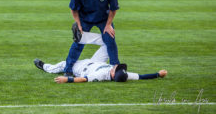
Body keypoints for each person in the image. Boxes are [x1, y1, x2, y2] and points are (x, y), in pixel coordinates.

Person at [34, 32, 167, 83]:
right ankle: (83, 37)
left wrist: (67, 79)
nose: (117, 64)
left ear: (113, 74)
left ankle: (46, 67)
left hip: (81, 68)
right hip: (95, 61)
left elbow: (83, 79)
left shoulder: (100, 75)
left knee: (63, 64)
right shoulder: (124, 75)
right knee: (107, 44)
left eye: (117, 67)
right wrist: (158, 74)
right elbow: (142, 76)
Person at [64, 0, 120, 76]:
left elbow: (113, 9)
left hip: (103, 19)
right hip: (85, 18)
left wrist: (108, 25)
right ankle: (68, 69)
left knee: (110, 39)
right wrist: (78, 24)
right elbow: (73, 9)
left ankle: (115, 67)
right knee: (78, 42)